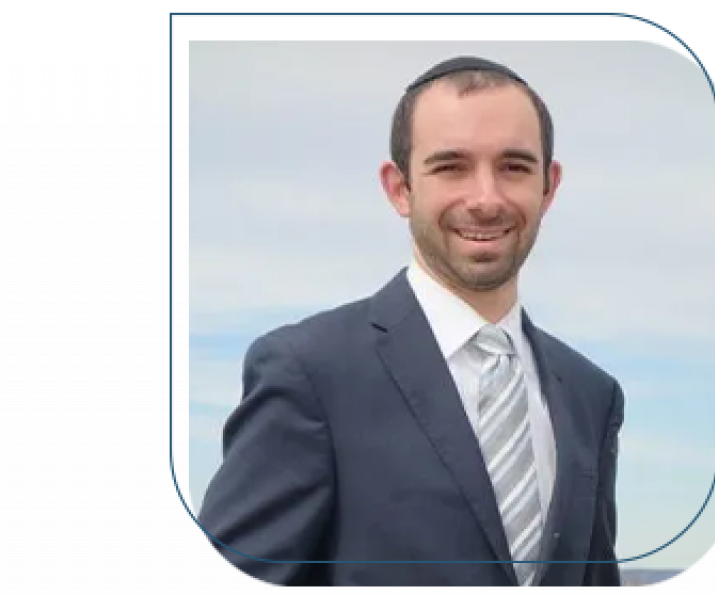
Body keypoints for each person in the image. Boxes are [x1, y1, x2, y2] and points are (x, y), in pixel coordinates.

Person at [197, 55, 625, 588]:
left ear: (548, 186)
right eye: (451, 167)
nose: (486, 199)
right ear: (400, 188)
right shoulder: (310, 373)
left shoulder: (591, 394)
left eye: (514, 167)